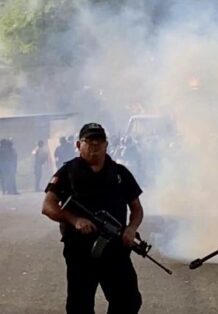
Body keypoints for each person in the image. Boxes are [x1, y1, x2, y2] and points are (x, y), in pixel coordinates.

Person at [41, 123, 144, 313]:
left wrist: (131, 228)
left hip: (115, 249)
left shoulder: (120, 173)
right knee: (80, 306)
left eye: (99, 141)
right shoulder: (67, 173)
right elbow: (48, 206)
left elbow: (136, 208)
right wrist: (74, 220)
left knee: (128, 301)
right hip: (80, 251)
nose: (94, 146)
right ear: (79, 145)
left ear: (106, 145)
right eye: (89, 141)